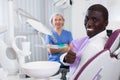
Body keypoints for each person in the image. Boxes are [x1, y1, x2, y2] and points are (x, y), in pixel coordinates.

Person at [60, 4, 109, 79]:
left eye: (94, 20)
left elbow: (78, 76)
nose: (88, 24)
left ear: (106, 23)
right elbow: (68, 56)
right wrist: (66, 58)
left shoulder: (93, 47)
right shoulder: (91, 39)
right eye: (87, 18)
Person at [46, 13, 73, 80]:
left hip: (66, 64)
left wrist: (55, 47)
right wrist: (64, 46)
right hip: (53, 65)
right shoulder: (49, 34)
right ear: (52, 22)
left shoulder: (68, 34)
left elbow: (71, 49)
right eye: (55, 20)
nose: (58, 21)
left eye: (60, 19)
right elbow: (50, 50)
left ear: (63, 21)